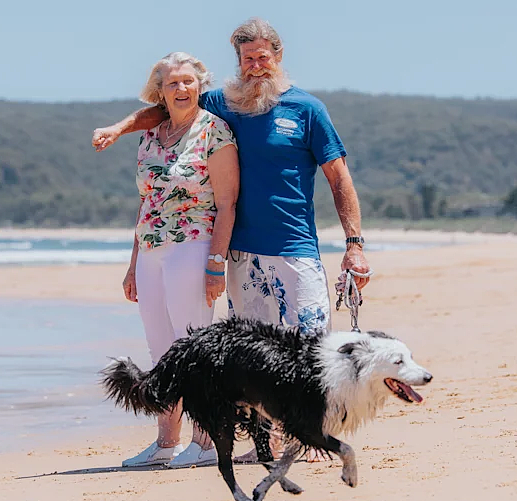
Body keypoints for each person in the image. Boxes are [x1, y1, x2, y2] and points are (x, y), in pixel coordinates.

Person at [93, 19, 370, 462]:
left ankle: (314, 436)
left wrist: (354, 245)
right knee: (255, 357)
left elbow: (339, 179)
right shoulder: (224, 103)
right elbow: (165, 110)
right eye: (247, 58)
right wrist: (120, 127)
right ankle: (268, 443)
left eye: (263, 57)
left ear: (278, 56)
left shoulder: (307, 109)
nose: (256, 66)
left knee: (310, 343)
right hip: (241, 253)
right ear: (238, 61)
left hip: (294, 247)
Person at [114, 52, 239, 468]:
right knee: (161, 350)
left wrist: (215, 264)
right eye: (173, 83)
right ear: (160, 91)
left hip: (194, 245)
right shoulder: (152, 136)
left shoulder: (214, 130)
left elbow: (228, 203)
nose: (181, 88)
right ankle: (165, 443)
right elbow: (146, 203)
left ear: (200, 85)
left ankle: (206, 442)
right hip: (151, 250)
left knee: (194, 348)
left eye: (188, 81)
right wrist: (133, 264)